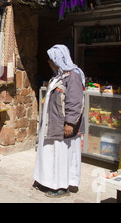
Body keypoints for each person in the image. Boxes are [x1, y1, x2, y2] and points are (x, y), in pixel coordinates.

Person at [33, 44, 85, 198]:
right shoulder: (59, 76)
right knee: (51, 154)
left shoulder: (73, 76)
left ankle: (61, 186)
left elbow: (75, 102)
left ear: (58, 59)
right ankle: (48, 181)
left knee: (62, 156)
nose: (49, 62)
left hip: (63, 126)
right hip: (53, 124)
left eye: (51, 59)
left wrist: (70, 123)